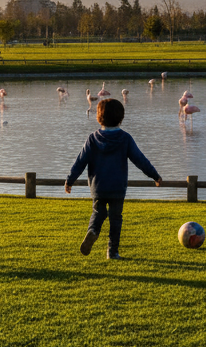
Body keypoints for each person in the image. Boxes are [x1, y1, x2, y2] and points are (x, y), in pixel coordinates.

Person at [64, 98, 162, 259]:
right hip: (117, 187)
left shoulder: (92, 139)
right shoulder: (125, 138)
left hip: (98, 187)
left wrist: (70, 180)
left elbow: (80, 161)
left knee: (98, 212)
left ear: (99, 117)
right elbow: (140, 159)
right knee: (116, 218)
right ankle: (112, 251)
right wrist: (155, 175)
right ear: (121, 117)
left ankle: (93, 230)